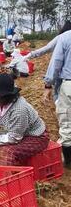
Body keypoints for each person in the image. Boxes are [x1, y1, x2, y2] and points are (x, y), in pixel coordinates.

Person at [0, 73, 49, 166]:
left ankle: (5, 177)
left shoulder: (19, 110)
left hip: (35, 137)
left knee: (7, 151)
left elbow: (14, 138)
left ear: (4, 95)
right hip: (15, 133)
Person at [43, 30, 71, 168]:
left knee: (67, 124)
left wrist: (48, 84)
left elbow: (56, 62)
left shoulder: (66, 37)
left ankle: (69, 163)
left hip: (69, 84)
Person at [24, 21, 71, 101]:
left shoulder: (64, 36)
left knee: (61, 101)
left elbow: (55, 60)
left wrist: (48, 85)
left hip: (66, 80)